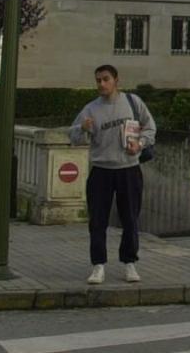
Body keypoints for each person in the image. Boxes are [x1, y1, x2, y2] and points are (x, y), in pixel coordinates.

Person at [68, 64, 155, 285]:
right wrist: (83, 129)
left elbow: (150, 127)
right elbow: (73, 136)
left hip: (129, 169)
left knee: (130, 219)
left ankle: (129, 263)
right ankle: (98, 266)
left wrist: (140, 144)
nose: (101, 84)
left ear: (116, 80)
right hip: (101, 171)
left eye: (106, 79)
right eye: (98, 80)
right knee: (97, 221)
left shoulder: (133, 103)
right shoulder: (91, 109)